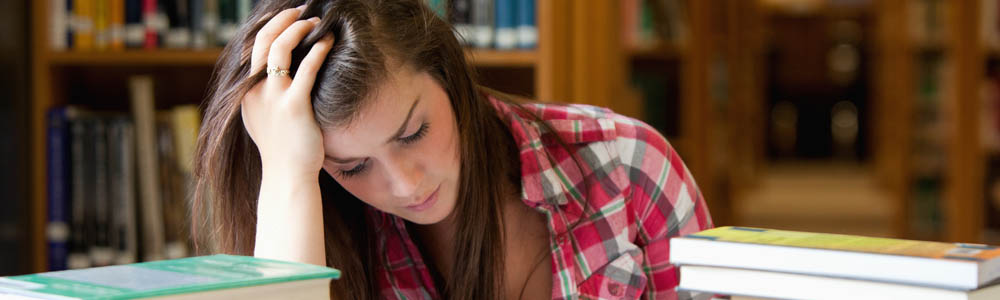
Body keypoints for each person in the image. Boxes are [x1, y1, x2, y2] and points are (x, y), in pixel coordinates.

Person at [192, 0, 713, 299]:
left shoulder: (628, 166)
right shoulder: (320, 217)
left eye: (413, 132)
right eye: (353, 167)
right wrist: (286, 171)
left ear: (450, 75)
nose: (406, 184)